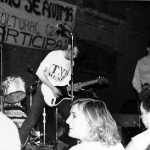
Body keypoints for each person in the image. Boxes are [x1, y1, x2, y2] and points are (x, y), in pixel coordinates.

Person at [19, 39, 79, 147]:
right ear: (69, 47)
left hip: (58, 93)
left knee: (73, 116)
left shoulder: (71, 63)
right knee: (31, 120)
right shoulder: (54, 55)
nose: (73, 57)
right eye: (73, 53)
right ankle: (15, 144)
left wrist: (71, 89)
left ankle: (78, 145)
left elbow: (65, 82)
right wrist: (52, 88)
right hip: (45, 89)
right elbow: (39, 73)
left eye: (76, 56)